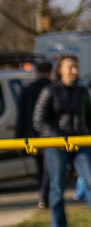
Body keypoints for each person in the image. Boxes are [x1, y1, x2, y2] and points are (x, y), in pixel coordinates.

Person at [34, 54, 91, 227]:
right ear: (60, 70)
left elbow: (89, 118)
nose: (74, 71)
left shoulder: (82, 92)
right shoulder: (50, 91)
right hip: (56, 145)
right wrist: (59, 138)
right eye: (70, 67)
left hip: (81, 143)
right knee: (57, 187)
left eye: (76, 67)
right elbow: (39, 121)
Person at [15, 57, 50, 203]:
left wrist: (18, 138)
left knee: (40, 167)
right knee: (50, 167)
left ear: (36, 72)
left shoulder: (27, 90)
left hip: (32, 135)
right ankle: (46, 195)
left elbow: (21, 116)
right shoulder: (52, 88)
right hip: (50, 135)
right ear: (50, 71)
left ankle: (43, 195)